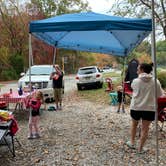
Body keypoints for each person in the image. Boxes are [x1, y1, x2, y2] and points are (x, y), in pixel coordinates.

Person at [126, 63, 165, 153]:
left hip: (136, 107)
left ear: (142, 70)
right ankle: (140, 149)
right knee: (145, 129)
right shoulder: (156, 81)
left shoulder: (135, 81)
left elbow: (133, 90)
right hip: (149, 108)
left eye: (138, 69)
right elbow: (160, 95)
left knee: (134, 125)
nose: (137, 71)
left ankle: (132, 142)